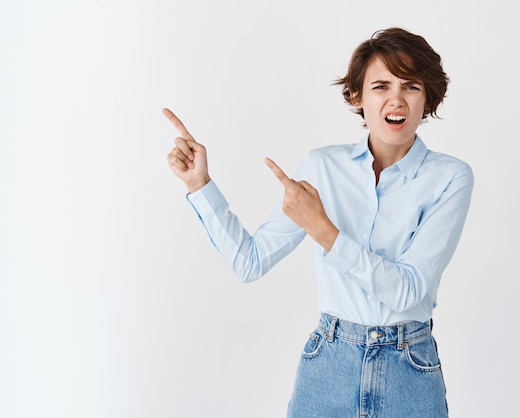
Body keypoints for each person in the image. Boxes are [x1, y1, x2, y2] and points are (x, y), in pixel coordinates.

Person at [165, 27, 473, 418]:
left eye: (411, 86)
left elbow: (408, 292)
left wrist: (324, 231)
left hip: (409, 368)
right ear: (357, 96)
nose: (396, 99)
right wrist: (199, 184)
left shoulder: (450, 177)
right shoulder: (321, 166)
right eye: (381, 86)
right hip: (329, 364)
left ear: (427, 96)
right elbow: (250, 261)